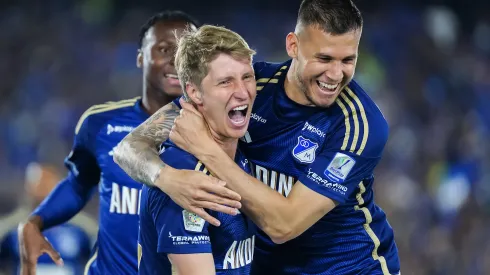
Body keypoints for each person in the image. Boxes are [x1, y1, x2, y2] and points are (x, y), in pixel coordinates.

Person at [114, 0, 401, 274]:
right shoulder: (249, 89)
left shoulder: (359, 125)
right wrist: (168, 179)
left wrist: (208, 152)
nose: (336, 74)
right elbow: (129, 147)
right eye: (324, 58)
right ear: (293, 45)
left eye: (348, 60)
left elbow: (284, 226)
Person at [15, 11, 217, 275]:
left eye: (186, 50)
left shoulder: (220, 131)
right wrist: (35, 222)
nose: (176, 60)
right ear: (141, 57)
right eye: (165, 49)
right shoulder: (99, 124)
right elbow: (78, 184)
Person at [138, 25, 257, 275]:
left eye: (247, 77)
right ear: (194, 92)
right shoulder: (183, 177)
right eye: (225, 82)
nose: (242, 92)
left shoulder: (248, 146)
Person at [0, 162, 94, 275]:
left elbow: (102, 259)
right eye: (39, 182)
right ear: (29, 188)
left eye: (48, 182)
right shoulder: (10, 228)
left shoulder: (82, 227)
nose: (44, 188)